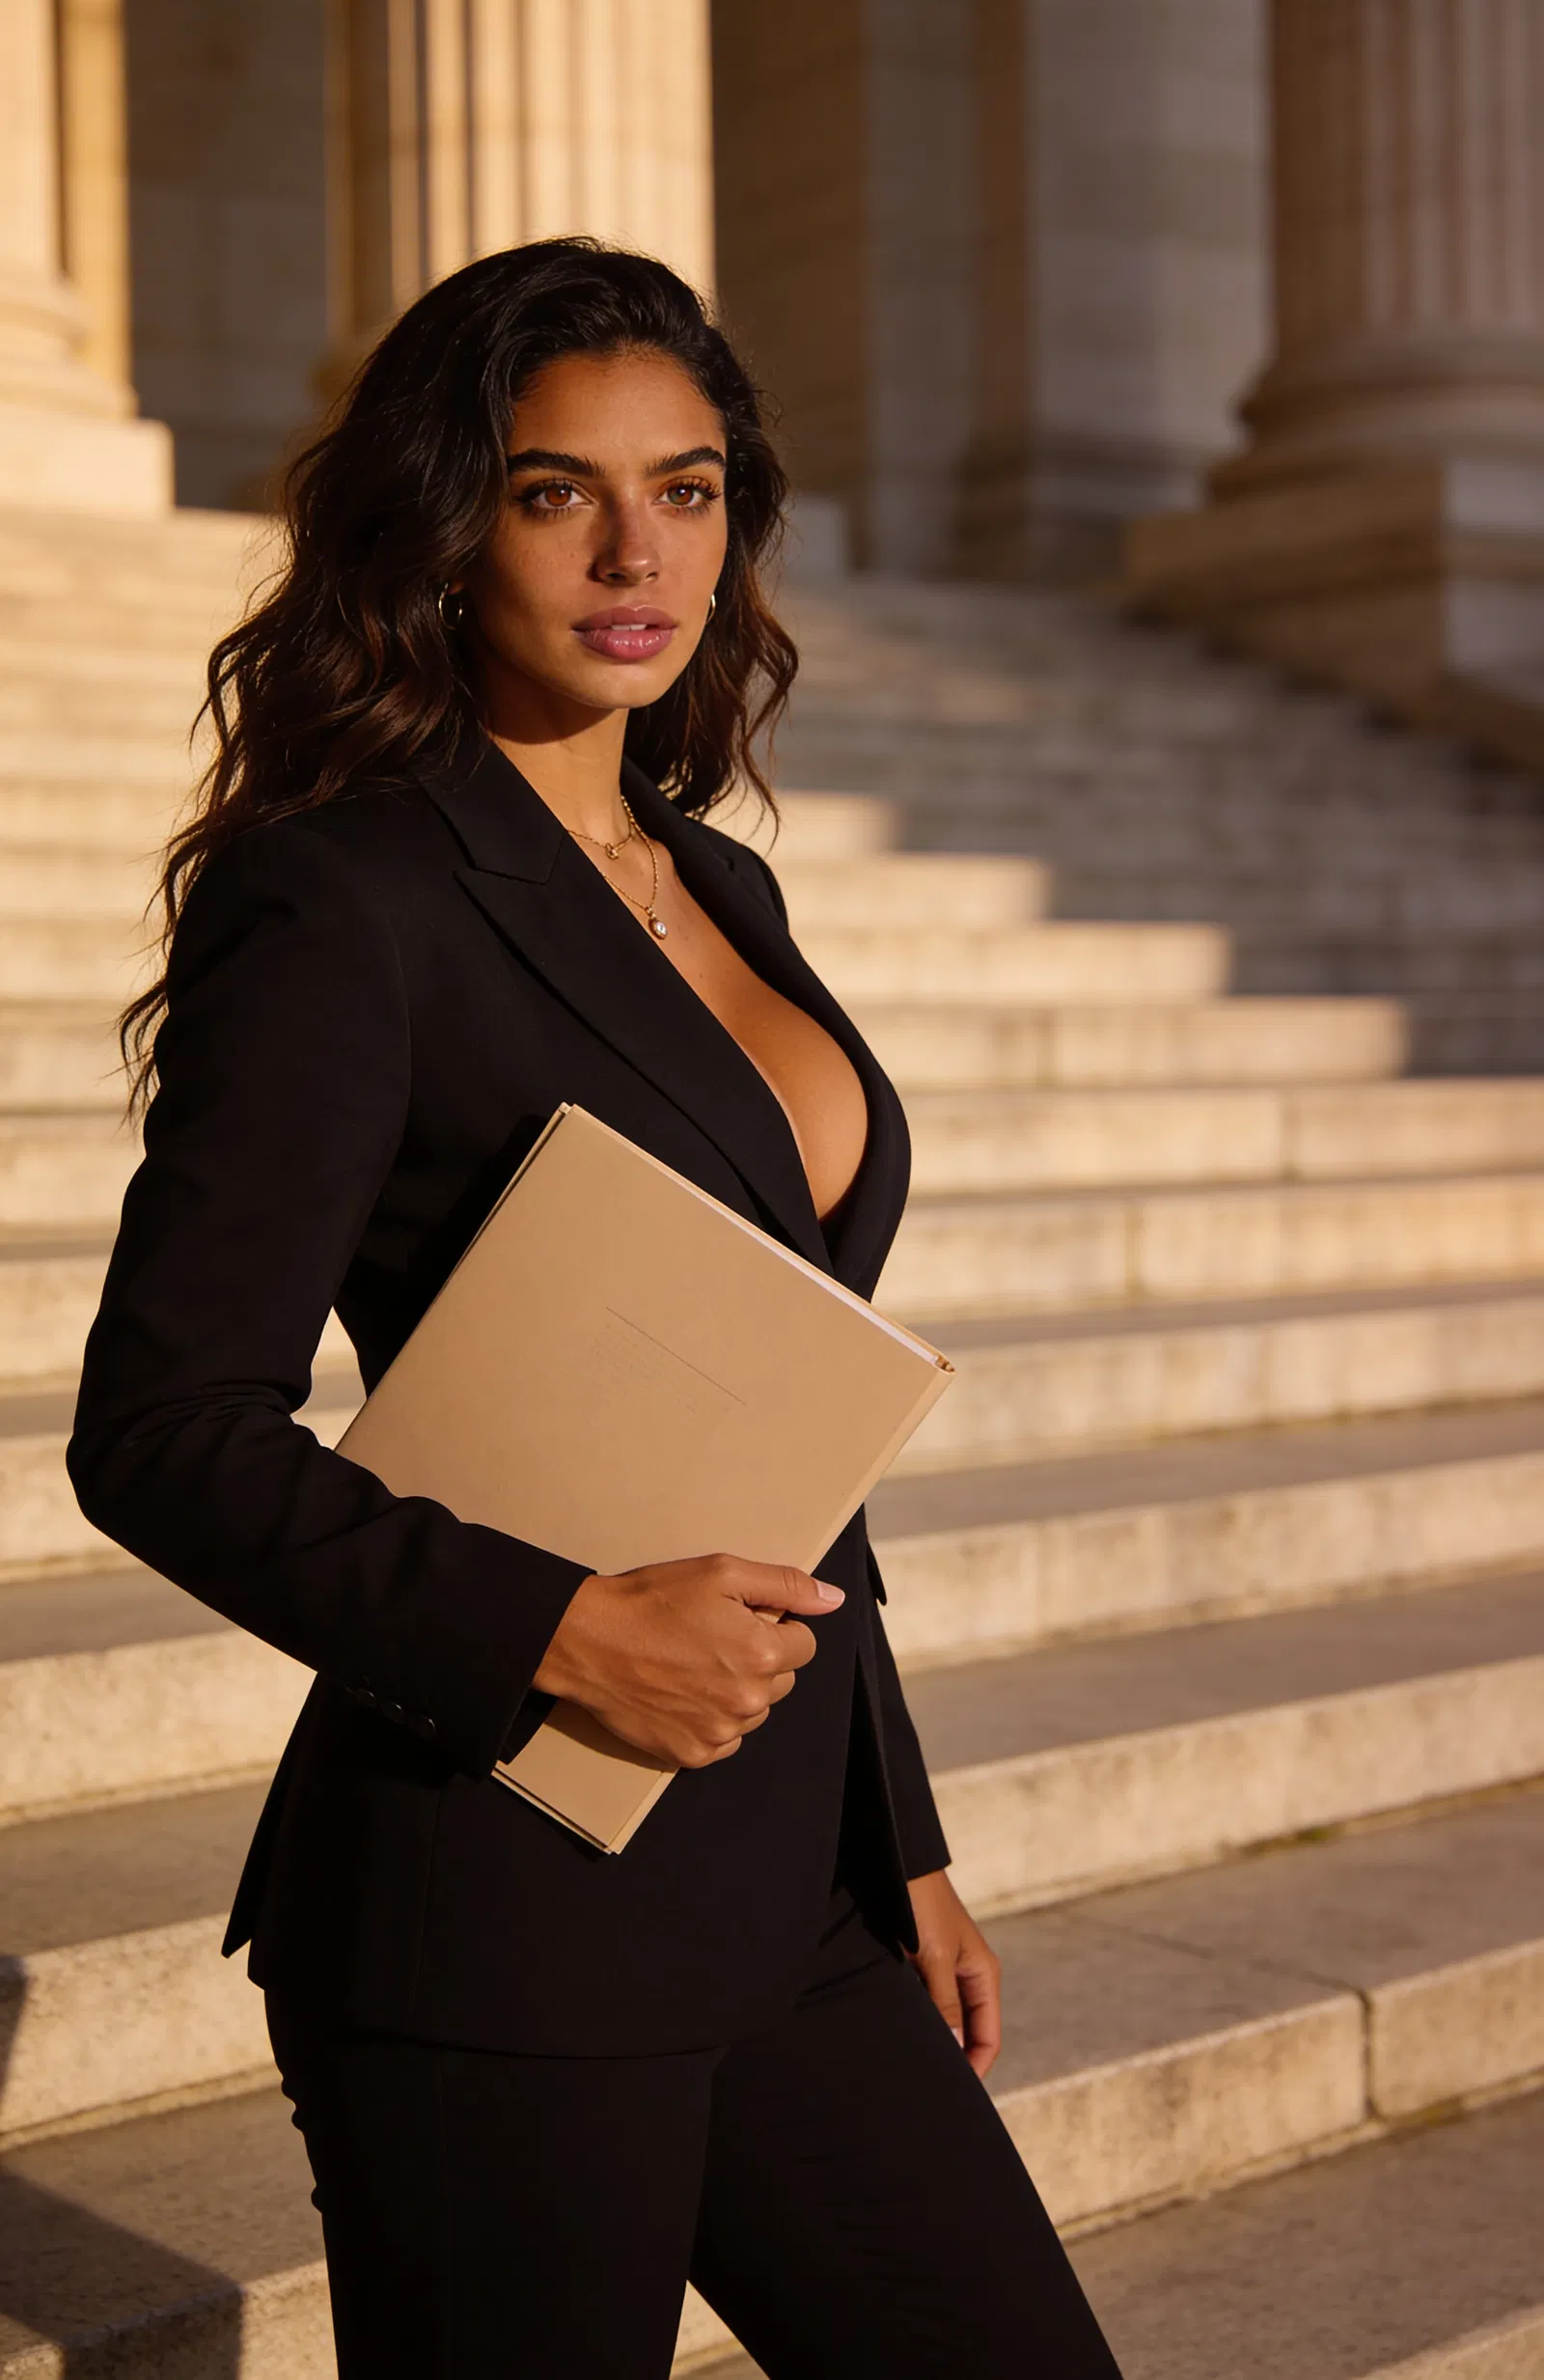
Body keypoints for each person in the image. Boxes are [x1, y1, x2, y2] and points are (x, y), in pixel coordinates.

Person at [69, 241, 1123, 2379]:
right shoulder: (346, 891)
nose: (637, 552)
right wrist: (555, 1632)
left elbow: (790, 1424)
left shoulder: (709, 873)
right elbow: (161, 1428)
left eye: (690, 486)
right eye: (557, 492)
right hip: (501, 1908)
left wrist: (893, 1842)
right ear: (448, 523)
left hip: (788, 1887)